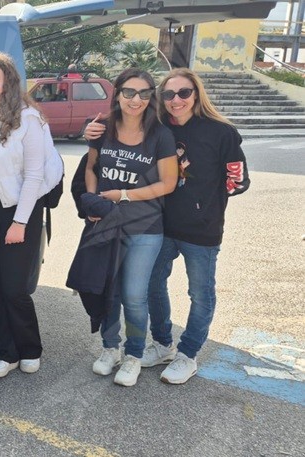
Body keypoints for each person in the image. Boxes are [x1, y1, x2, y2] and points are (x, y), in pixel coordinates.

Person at [86, 68, 250, 384]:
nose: (176, 100)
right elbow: (120, 132)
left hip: (201, 229)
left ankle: (187, 355)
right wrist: (90, 129)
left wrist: (205, 202)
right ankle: (162, 344)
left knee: (200, 292)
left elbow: (237, 181)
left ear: (196, 94)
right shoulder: (159, 127)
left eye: (184, 93)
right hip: (162, 224)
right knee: (151, 286)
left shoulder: (221, 132)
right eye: (169, 94)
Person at [0, 51, 64, 381]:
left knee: (15, 286)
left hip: (21, 207)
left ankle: (30, 348)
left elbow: (34, 174)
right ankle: (5, 353)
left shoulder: (27, 117)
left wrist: (19, 222)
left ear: (8, 82)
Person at [83, 68, 178, 387]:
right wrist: (96, 201)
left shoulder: (160, 134)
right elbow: (91, 168)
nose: (136, 99)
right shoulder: (103, 128)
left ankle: (134, 354)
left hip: (145, 227)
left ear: (151, 97)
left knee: (135, 296)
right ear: (118, 93)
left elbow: (169, 183)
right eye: (129, 92)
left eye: (144, 93)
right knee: (108, 291)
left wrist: (124, 194)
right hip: (108, 225)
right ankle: (110, 349)